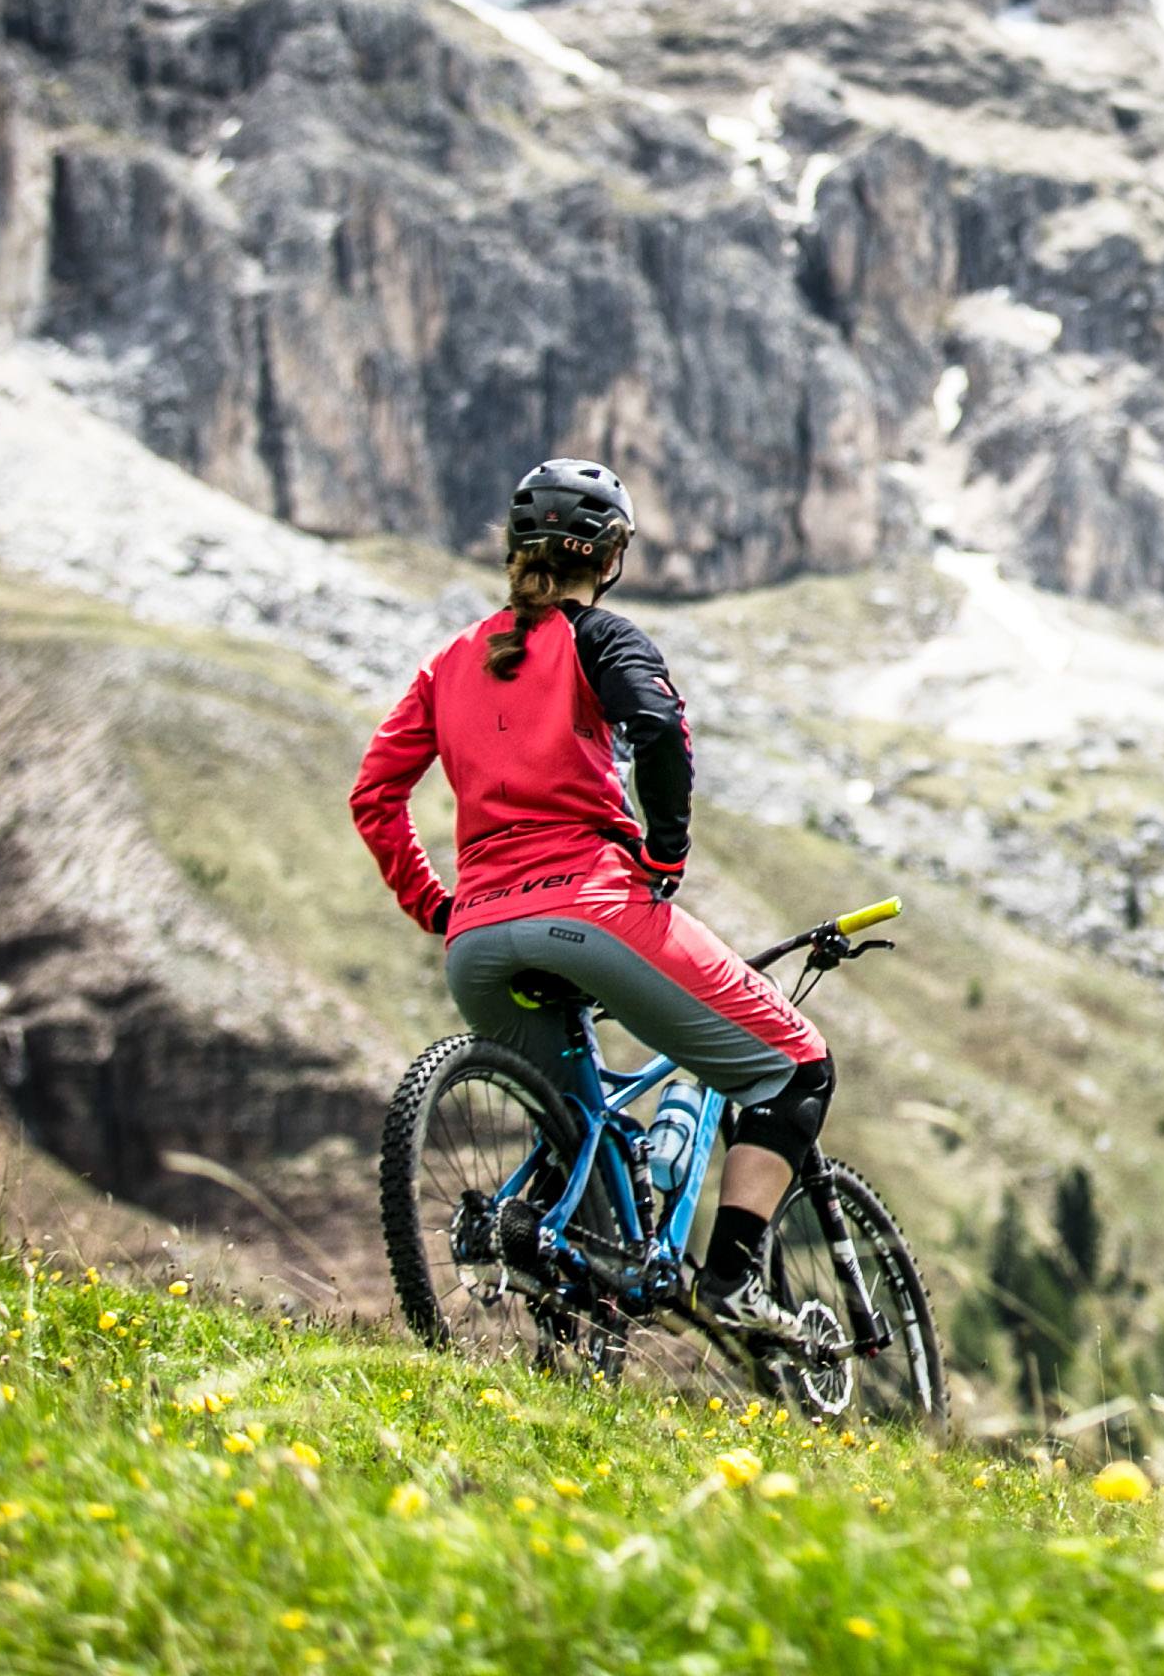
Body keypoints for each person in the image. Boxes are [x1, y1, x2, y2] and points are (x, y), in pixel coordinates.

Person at [349, 455, 834, 1341]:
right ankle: (731, 1284)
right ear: (608, 557)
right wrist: (665, 852)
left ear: (514, 549)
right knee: (794, 1065)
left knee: (584, 1137)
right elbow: (657, 729)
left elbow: (373, 797)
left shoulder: (450, 663)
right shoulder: (601, 639)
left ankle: (577, 1306)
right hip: (591, 908)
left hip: (478, 946)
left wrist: (439, 908)